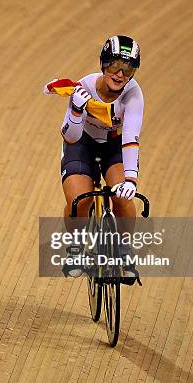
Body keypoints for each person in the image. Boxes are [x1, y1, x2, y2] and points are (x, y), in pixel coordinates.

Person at [43, 35, 144, 284]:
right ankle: (76, 248)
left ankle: (123, 250)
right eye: (114, 66)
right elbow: (70, 136)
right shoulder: (84, 88)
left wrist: (130, 180)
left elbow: (130, 138)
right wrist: (77, 111)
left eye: (128, 68)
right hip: (82, 145)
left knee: (122, 197)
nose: (120, 74)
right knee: (78, 202)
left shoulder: (133, 95)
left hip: (114, 146)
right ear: (103, 64)